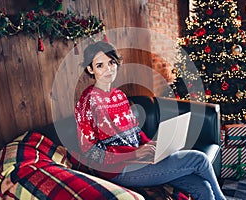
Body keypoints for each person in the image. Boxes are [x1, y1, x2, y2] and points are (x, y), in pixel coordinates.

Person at [74, 41, 226, 200]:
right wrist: (135, 153)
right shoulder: (87, 102)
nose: (108, 69)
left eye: (111, 62)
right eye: (100, 65)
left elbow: (135, 132)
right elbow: (91, 152)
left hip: (139, 161)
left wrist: (150, 144)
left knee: (204, 188)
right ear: (90, 69)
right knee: (199, 159)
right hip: (117, 170)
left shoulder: (119, 96)